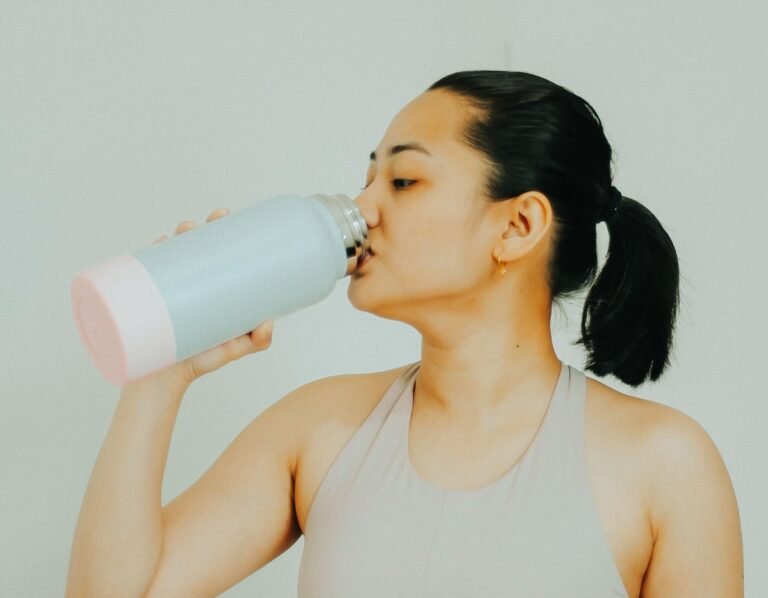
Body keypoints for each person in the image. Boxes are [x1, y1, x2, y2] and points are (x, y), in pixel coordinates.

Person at [65, 71, 743, 597]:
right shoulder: (317, 430)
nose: (362, 210)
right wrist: (160, 370)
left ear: (518, 227)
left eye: (404, 179)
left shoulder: (665, 465)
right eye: (367, 179)